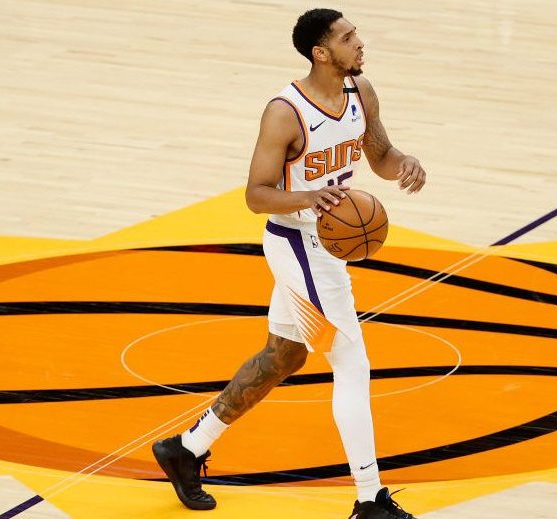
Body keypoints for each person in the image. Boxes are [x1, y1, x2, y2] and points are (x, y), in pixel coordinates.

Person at [152, 8, 426, 518]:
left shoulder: (360, 93)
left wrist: (403, 163)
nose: (360, 43)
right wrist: (308, 197)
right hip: (297, 244)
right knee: (351, 362)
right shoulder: (285, 111)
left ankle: (185, 448)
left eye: (356, 33)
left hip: (325, 245)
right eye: (348, 38)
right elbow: (257, 196)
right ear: (321, 53)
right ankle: (370, 501)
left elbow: (381, 154)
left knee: (285, 356)